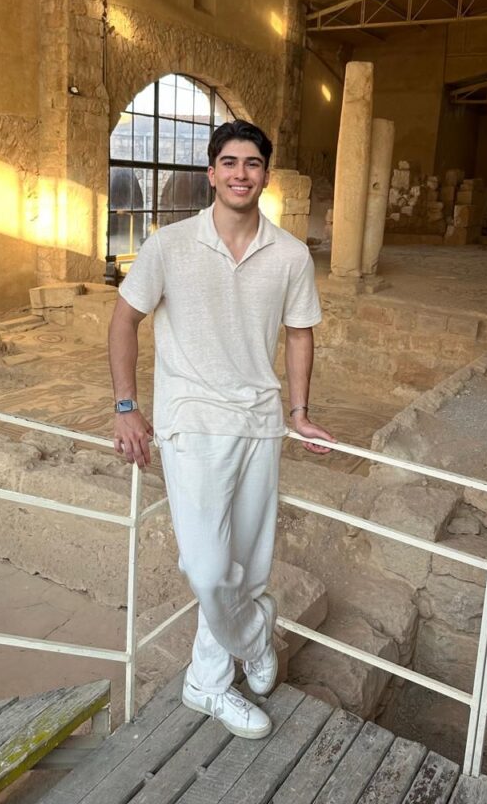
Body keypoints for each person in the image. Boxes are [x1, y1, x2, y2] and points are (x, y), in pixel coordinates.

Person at [108, 118, 334, 740]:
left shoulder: (289, 254)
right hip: (191, 422)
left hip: (260, 422)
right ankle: (256, 637)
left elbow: (299, 333)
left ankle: (206, 681)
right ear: (211, 173)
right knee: (209, 569)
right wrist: (126, 405)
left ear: (265, 175)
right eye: (229, 163)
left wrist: (298, 412)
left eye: (252, 163)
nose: (241, 173)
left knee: (250, 565)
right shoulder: (169, 245)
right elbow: (124, 320)